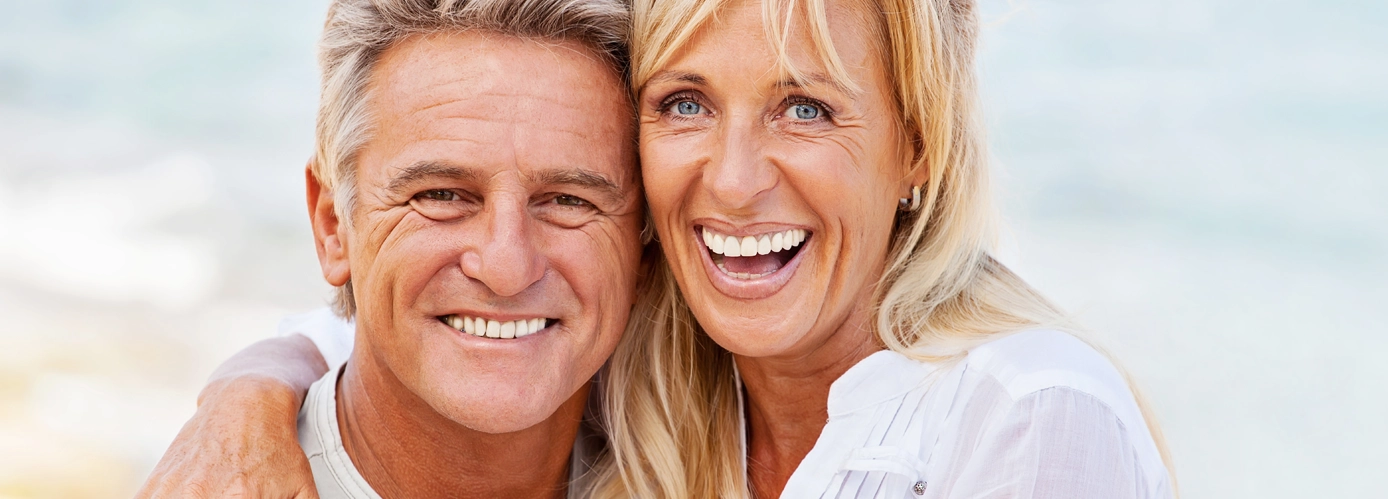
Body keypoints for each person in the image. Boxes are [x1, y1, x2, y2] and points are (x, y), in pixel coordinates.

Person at [143, 0, 1178, 497]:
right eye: (684, 103)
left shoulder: (1027, 417)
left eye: (807, 109)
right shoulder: (652, 384)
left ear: (921, 146)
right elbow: (391, 331)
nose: (731, 181)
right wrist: (246, 396)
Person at [133, 0, 645, 498]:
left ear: (645, 242)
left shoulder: (700, 463)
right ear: (333, 226)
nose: (507, 267)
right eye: (440, 195)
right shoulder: (226, 481)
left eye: (568, 201)